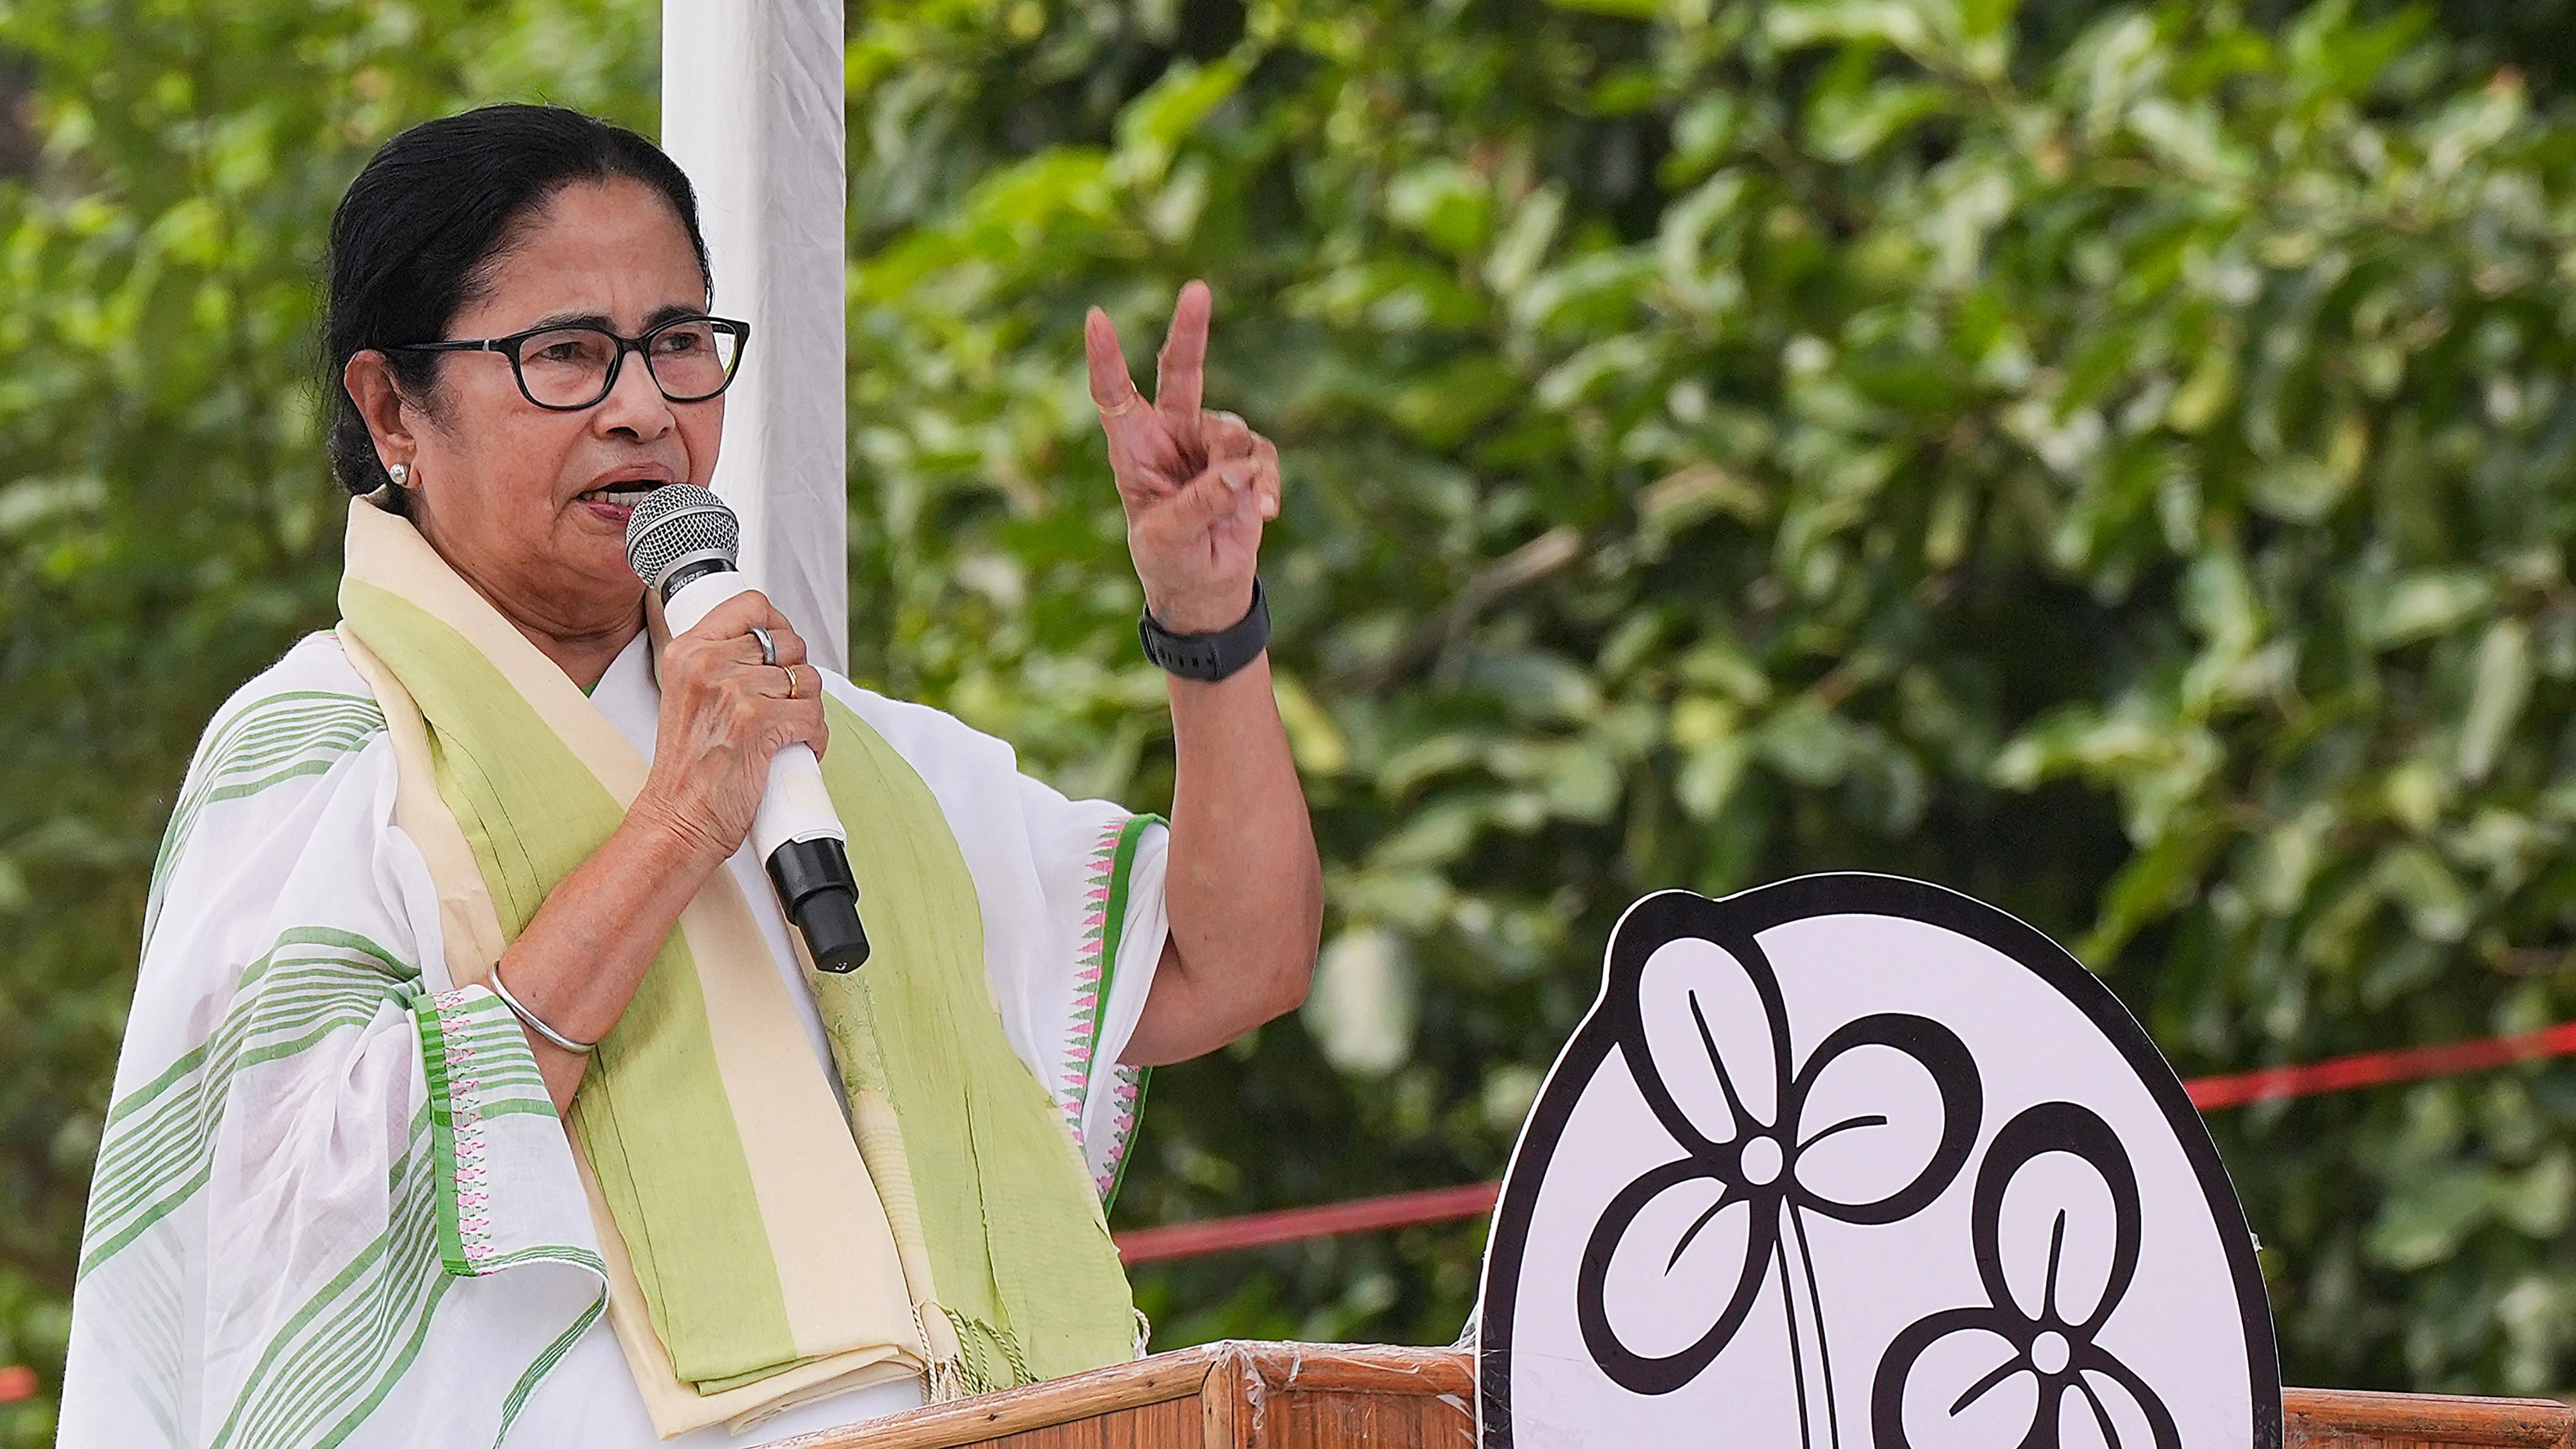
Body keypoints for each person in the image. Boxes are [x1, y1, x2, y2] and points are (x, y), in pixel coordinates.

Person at [59, 104, 1320, 1447]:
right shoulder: (325, 743)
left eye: (675, 343)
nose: (643, 409)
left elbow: (1229, 963)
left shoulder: (821, 739)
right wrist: (674, 823)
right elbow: (280, 1219)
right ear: (391, 407)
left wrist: (1209, 622)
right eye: (564, 355)